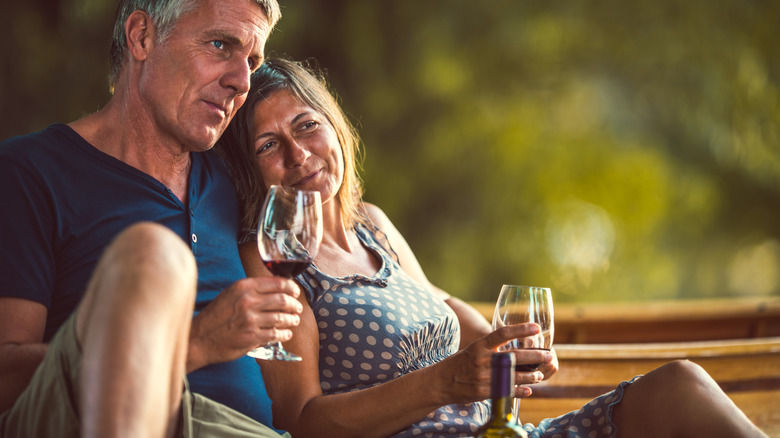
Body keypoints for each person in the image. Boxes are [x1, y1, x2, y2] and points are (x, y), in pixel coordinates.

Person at [215, 57, 769, 438]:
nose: (298, 153)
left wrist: (511, 353)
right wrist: (449, 380)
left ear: (334, 126)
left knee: (680, 383)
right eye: (269, 145)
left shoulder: (372, 226)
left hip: (503, 430)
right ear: (250, 169)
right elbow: (304, 421)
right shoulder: (270, 260)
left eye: (307, 125)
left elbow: (443, 305)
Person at [0, 1, 303, 437]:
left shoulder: (236, 177)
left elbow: (330, 210)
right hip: (85, 419)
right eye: (220, 45)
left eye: (252, 62)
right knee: (155, 254)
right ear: (141, 36)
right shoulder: (29, 172)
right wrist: (194, 342)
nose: (242, 82)